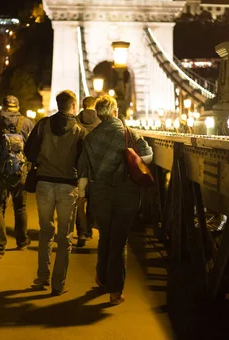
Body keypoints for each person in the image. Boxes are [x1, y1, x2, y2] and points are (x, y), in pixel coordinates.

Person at [78, 95, 153, 305]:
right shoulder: (129, 133)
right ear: (114, 112)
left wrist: (82, 195)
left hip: (100, 193)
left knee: (105, 236)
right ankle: (115, 291)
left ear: (100, 114)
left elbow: (83, 170)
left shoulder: (90, 137)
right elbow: (147, 157)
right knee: (119, 241)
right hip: (126, 192)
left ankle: (101, 278)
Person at [24, 90, 87, 296]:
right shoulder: (79, 131)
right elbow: (83, 162)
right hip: (68, 186)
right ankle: (58, 284)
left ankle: (41, 277)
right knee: (65, 236)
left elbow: (30, 152)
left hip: (44, 183)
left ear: (57, 104)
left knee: (45, 232)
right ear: (74, 106)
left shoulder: (42, 125)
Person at [0, 95, 35, 259]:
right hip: (20, 173)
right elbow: (33, 148)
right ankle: (22, 242)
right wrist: (29, 168)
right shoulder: (26, 123)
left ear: (2, 107)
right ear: (17, 107)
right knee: (20, 208)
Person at [74, 96, 101, 247]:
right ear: (95, 105)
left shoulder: (75, 121)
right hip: (96, 167)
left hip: (79, 166)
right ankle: (89, 231)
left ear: (81, 105)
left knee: (79, 202)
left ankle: (81, 233)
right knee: (92, 201)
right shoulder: (102, 122)